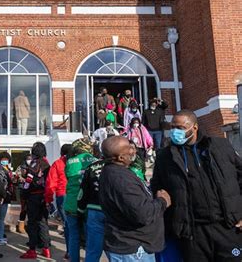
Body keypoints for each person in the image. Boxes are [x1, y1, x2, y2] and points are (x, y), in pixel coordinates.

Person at [151, 109, 242, 262]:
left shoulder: (220, 147)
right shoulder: (165, 156)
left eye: (180, 127)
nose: (175, 131)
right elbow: (158, 187)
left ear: (194, 127)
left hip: (227, 227)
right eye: (173, 127)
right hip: (192, 232)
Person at [99, 136, 171, 261]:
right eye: (129, 148)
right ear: (120, 157)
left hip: (129, 246)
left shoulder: (114, 172)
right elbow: (143, 214)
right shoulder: (121, 179)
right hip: (133, 251)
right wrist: (162, 201)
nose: (134, 150)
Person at [65, 137, 98, 262]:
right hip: (89, 204)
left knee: (74, 236)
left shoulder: (70, 161)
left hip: (72, 203)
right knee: (90, 236)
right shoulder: (96, 161)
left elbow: (69, 177)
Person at [20, 142, 51, 259]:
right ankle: (46, 249)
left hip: (34, 196)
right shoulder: (47, 164)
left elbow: (28, 180)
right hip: (44, 196)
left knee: (32, 223)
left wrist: (24, 193)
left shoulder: (34, 163)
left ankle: (32, 250)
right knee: (43, 222)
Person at [77, 156, 108, 262]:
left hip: (94, 210)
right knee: (115, 250)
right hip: (112, 212)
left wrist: (80, 210)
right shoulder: (120, 166)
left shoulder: (91, 167)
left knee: (93, 250)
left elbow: (83, 191)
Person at [45, 144, 71, 259]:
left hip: (62, 195)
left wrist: (49, 200)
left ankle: (70, 251)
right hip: (76, 195)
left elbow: (51, 183)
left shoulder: (58, 163)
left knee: (67, 225)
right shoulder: (78, 162)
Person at [0, 152, 14, 245]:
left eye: (6, 159)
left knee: (0, 218)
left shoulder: (8, 170)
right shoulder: (0, 170)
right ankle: (0, 237)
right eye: (3, 160)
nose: (5, 161)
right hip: (0, 196)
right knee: (0, 218)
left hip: (6, 196)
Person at [15, 154, 32, 234]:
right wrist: (26, 180)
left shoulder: (34, 166)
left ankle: (29, 226)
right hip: (23, 189)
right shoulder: (21, 167)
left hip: (31, 190)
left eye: (30, 159)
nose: (29, 160)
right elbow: (18, 176)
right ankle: (21, 226)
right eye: (28, 159)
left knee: (31, 209)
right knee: (24, 208)